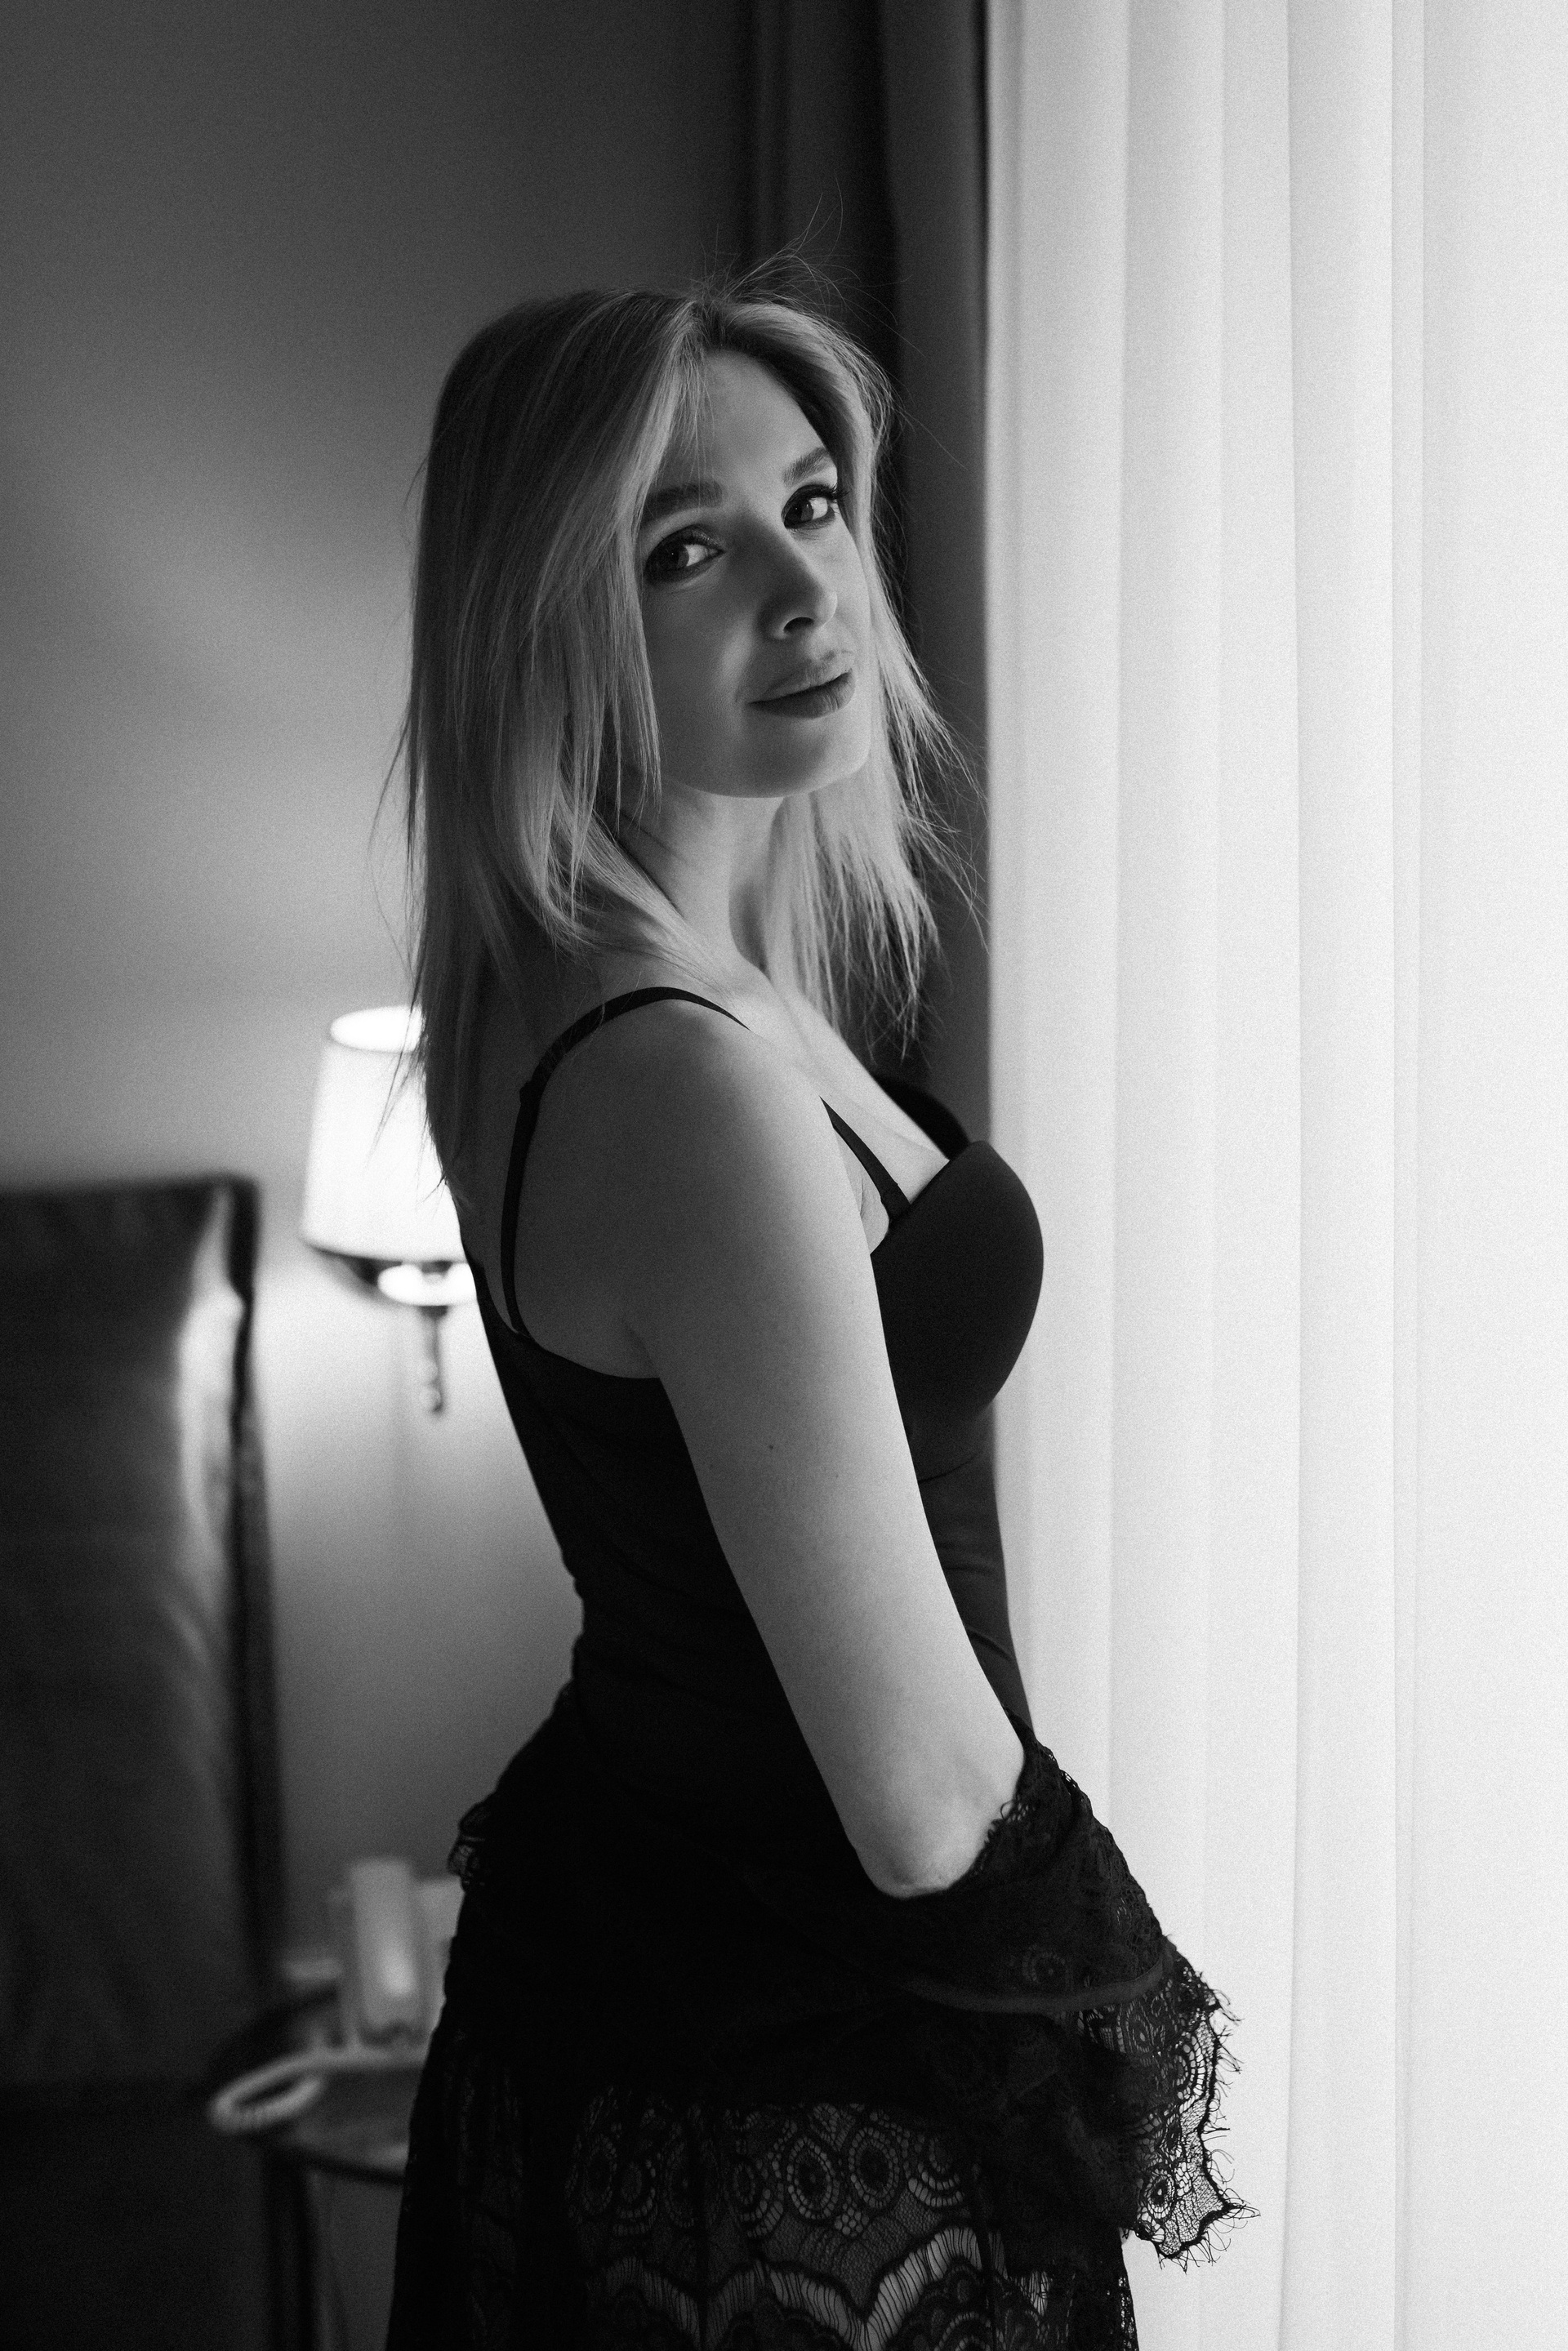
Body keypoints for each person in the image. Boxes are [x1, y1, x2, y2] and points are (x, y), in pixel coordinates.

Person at [385, 264, 1243, 2351]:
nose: (804, 588)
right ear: (547, 625)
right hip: (807, 2087)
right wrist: (1109, 2016)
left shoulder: (581, 984)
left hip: (661, 1953)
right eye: (685, 549)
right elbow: (917, 1798)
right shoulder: (679, 1080)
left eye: (814, 505)